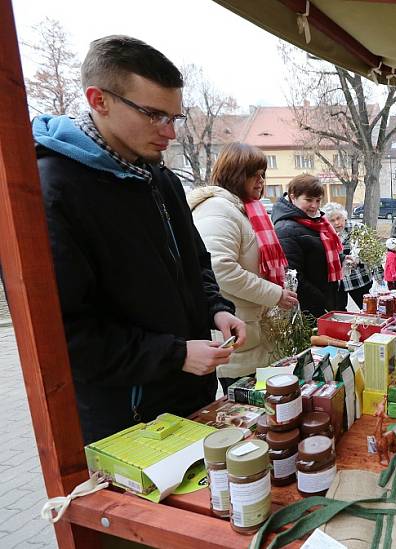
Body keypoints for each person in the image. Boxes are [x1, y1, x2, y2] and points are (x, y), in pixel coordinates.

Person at [33, 35, 246, 443]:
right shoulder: (53, 192)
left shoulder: (159, 176)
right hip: (128, 420)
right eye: (153, 115)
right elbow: (67, 334)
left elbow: (196, 262)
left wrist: (216, 308)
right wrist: (177, 354)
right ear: (99, 100)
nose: (169, 133)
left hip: (189, 397)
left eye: (175, 118)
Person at [188, 143, 299, 392]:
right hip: (238, 334)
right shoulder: (217, 209)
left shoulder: (244, 209)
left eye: (262, 174)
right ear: (236, 174)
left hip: (252, 332)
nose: (260, 181)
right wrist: (275, 294)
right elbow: (220, 270)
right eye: (254, 174)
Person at [273, 175, 342, 317]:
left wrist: (342, 259)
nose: (315, 206)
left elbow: (319, 257)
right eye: (309, 200)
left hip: (323, 301)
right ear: (293, 197)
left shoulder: (316, 222)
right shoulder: (286, 229)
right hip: (308, 309)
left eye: (318, 200)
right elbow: (294, 276)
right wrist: (322, 302)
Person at [322, 202, 373, 310]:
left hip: (358, 278)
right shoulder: (324, 233)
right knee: (339, 311)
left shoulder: (358, 228)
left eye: (338, 218)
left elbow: (369, 251)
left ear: (344, 216)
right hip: (337, 281)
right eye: (332, 220)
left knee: (368, 309)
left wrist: (358, 259)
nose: (336, 223)